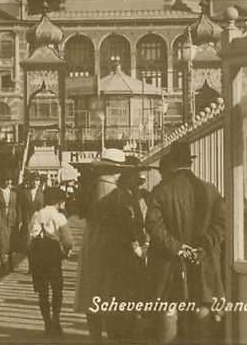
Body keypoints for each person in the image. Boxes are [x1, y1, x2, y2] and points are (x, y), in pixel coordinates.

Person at [146, 141, 225, 343]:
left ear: (171, 163)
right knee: (202, 305)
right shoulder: (210, 190)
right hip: (203, 261)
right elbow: (221, 224)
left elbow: (153, 226)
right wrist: (203, 247)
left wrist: (179, 248)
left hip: (169, 264)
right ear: (189, 163)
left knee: (169, 307)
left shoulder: (161, 191)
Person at [73, 148, 139, 342]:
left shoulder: (89, 188)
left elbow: (81, 212)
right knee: (112, 294)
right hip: (114, 248)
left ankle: (95, 338)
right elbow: (128, 224)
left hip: (92, 244)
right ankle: (114, 338)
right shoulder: (119, 194)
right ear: (117, 171)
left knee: (93, 293)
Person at [100, 164, 149, 340]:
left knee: (124, 294)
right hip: (125, 252)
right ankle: (123, 333)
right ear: (129, 177)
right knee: (125, 293)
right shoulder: (121, 196)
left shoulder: (126, 194)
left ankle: (122, 331)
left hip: (122, 251)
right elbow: (127, 223)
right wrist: (137, 245)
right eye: (137, 178)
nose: (139, 182)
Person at [28, 186, 73, 337]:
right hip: (53, 257)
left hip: (37, 257)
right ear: (59, 201)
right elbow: (68, 240)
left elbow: (30, 237)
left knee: (42, 292)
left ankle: (47, 323)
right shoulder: (59, 217)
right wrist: (66, 252)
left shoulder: (36, 215)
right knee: (57, 290)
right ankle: (56, 321)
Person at [0, 173, 19, 272]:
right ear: (2, 180)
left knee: (11, 242)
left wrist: (18, 220)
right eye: (7, 180)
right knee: (2, 242)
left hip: (11, 219)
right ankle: (3, 265)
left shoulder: (14, 192)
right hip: (0, 220)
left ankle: (11, 264)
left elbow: (17, 207)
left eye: (10, 180)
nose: (8, 182)